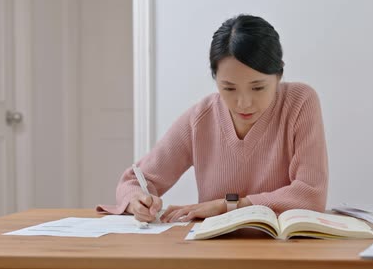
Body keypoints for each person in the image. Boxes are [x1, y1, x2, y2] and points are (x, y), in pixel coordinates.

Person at [97, 14, 328, 223]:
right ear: (215, 79)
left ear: (278, 76)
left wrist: (227, 206)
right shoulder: (202, 117)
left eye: (258, 88)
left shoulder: (300, 102)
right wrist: (138, 200)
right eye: (229, 88)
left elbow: (311, 194)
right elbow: (135, 181)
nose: (243, 103)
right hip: (215, 254)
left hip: (286, 253)